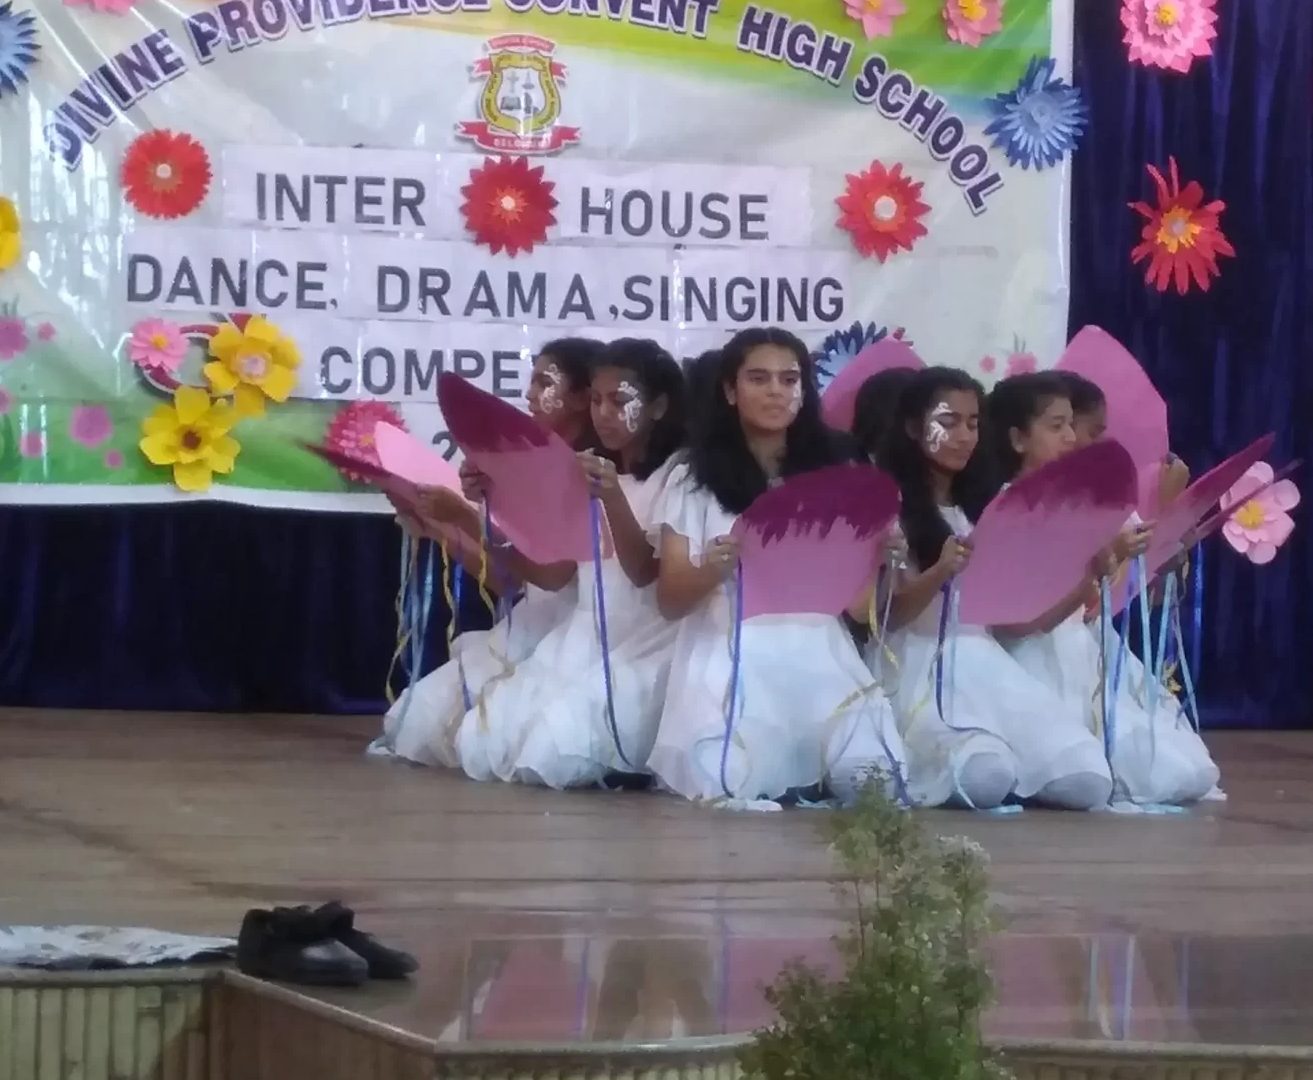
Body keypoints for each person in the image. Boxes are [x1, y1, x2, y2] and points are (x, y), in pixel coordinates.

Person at [645, 328, 911, 805]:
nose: (776, 391)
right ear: (730, 391)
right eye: (758, 378)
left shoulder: (839, 471)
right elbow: (670, 600)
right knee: (729, 781)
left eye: (789, 380)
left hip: (823, 655)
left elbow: (860, 608)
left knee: (875, 782)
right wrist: (714, 569)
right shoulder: (692, 476)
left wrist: (881, 559)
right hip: (730, 654)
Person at [972, 373, 1220, 807]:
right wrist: (1097, 571)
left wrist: (1162, 539)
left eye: (1072, 425)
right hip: (1033, 659)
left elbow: (1120, 596)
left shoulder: (1080, 504)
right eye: (1056, 427)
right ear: (1017, 439)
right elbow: (1019, 621)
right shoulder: (1008, 509)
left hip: (1084, 652)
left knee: (1192, 772)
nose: (1071, 438)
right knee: (1096, 777)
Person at [877, 369, 1113, 809]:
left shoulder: (986, 507)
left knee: (1087, 777)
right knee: (984, 777)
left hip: (988, 663)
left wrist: (1089, 579)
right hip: (921, 666)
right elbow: (890, 615)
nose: (963, 436)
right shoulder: (891, 508)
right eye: (948, 422)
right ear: (912, 427)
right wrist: (939, 571)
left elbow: (1015, 624)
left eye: (972, 423)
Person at [458, 338, 689, 788]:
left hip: (649, 639)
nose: (603, 413)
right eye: (597, 400)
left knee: (555, 747)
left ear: (659, 407)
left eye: (619, 401)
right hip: (586, 634)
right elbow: (554, 573)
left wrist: (612, 498)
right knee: (489, 735)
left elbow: (644, 572)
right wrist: (490, 504)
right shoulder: (588, 469)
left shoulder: (678, 474)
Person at [375, 337, 600, 768]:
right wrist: (440, 527)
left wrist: (466, 517)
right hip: (529, 623)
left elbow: (554, 578)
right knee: (416, 719)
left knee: (500, 740)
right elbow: (509, 583)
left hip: (572, 633)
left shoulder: (591, 473)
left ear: (579, 398)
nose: (529, 394)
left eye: (544, 382)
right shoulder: (531, 473)